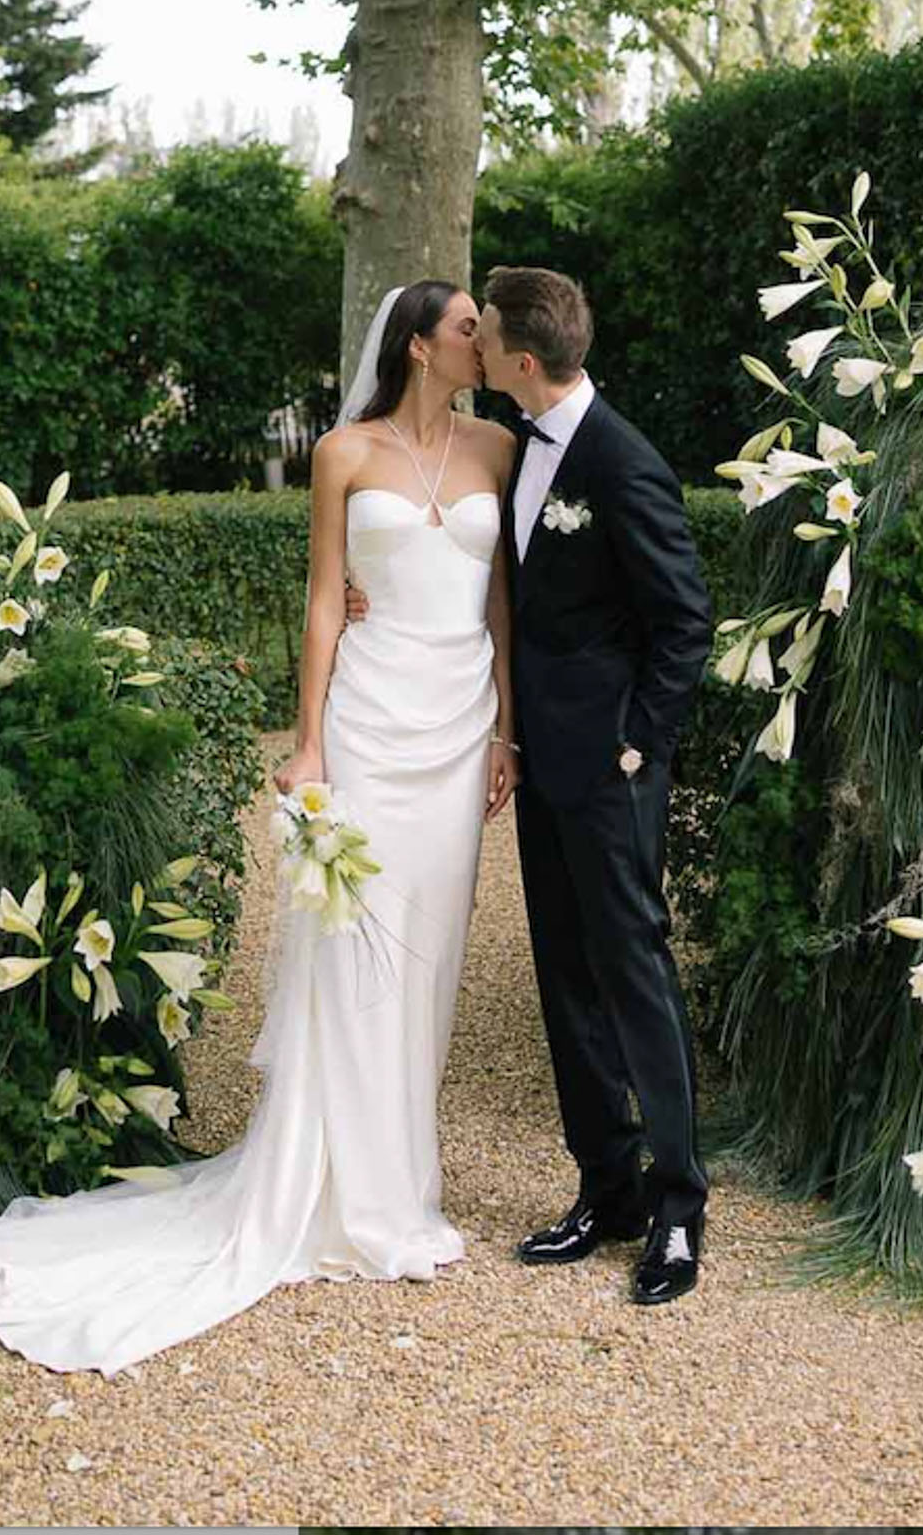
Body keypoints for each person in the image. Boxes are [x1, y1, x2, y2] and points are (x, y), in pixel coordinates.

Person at [0, 281, 518, 1375]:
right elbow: (327, 598)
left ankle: (399, 1180)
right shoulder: (343, 449)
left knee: (429, 952)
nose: (486, 340)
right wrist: (310, 740)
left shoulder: (499, 451)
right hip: (370, 723)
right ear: (421, 345)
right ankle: (337, 1190)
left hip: (461, 721)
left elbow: (502, 598)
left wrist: (509, 726)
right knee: (353, 946)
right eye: (469, 326)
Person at [347, 265, 714, 1304]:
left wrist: (638, 747)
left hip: (610, 771)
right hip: (539, 762)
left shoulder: (621, 461)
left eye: (483, 333)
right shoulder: (510, 452)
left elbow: (685, 619)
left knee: (632, 972)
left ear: (515, 358)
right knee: (564, 974)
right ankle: (609, 1185)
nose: (471, 346)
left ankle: (680, 1205)